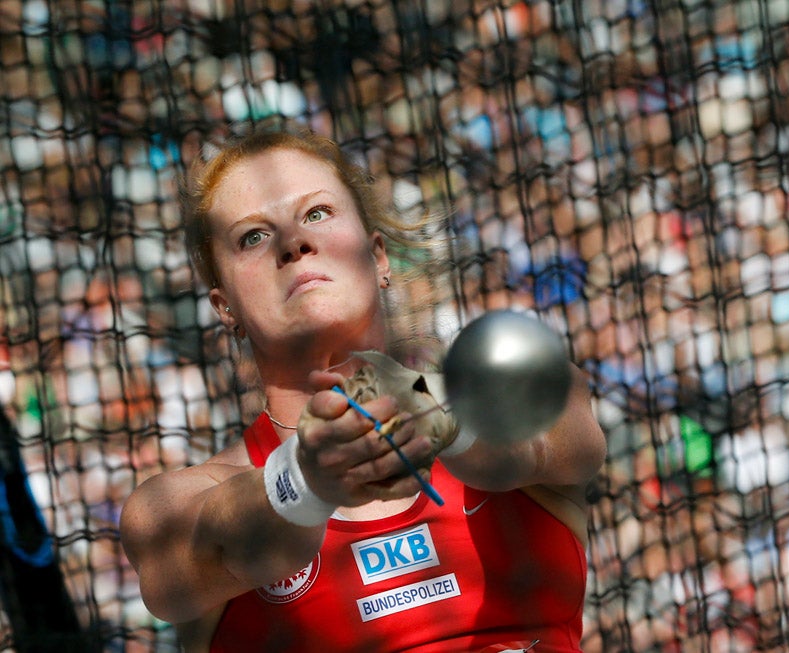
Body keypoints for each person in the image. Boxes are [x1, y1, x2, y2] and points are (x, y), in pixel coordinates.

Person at [120, 127, 607, 653]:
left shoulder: (520, 389)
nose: (293, 242)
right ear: (225, 308)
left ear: (378, 257)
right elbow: (195, 554)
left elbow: (548, 435)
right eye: (253, 237)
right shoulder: (174, 505)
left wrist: (432, 410)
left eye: (316, 213)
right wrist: (307, 479)